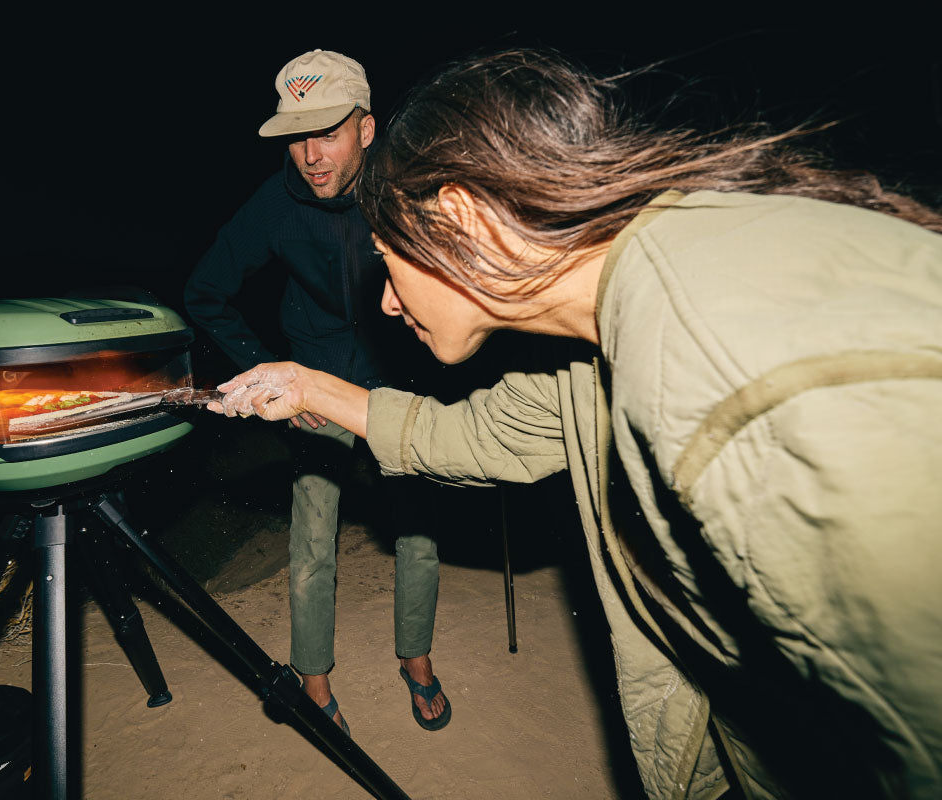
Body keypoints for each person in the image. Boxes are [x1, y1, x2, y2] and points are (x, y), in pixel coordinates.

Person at [210, 48, 942, 799]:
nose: (388, 303)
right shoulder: (582, 339)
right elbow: (483, 437)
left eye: (388, 259)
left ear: (459, 218)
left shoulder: (709, 358)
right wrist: (307, 385)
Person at [184, 49, 451, 734]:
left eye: (327, 132)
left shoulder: (408, 187)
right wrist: (269, 372)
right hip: (314, 387)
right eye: (297, 137)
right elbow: (205, 292)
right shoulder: (274, 205)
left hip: (398, 386)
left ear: (366, 128)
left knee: (418, 534)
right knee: (312, 544)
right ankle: (314, 679)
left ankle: (416, 657)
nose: (310, 155)